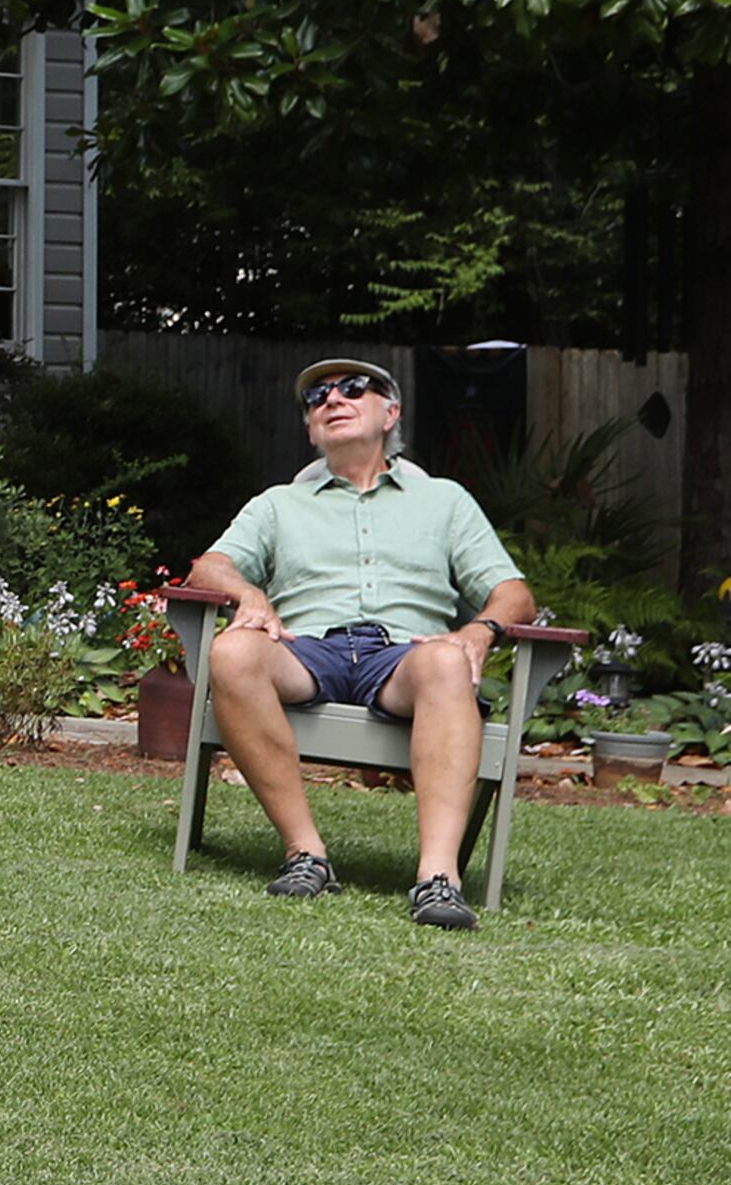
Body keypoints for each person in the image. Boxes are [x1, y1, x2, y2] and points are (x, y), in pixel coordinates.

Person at [179, 357, 536, 931]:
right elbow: (210, 567)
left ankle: (438, 879)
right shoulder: (278, 504)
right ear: (310, 428)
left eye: (352, 388)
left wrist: (479, 630)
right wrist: (248, 594)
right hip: (306, 650)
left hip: (404, 657)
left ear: (390, 412)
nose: (332, 399)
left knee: (447, 661)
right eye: (317, 395)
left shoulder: (444, 501)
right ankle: (305, 855)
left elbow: (512, 591)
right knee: (233, 650)